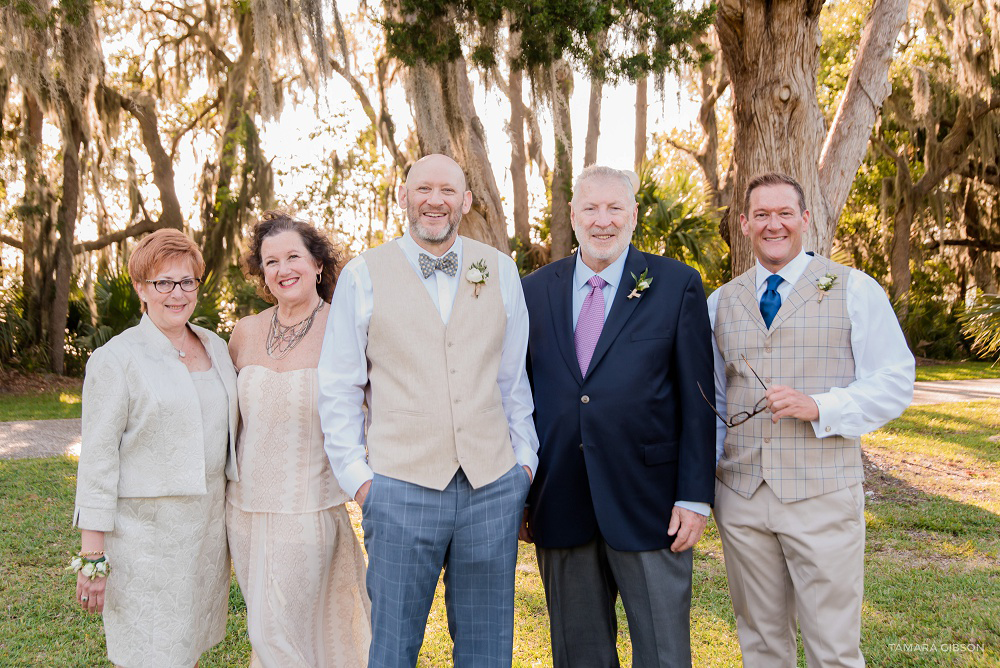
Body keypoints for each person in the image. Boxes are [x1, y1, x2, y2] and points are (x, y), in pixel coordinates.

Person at [318, 153, 538, 667]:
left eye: (447, 191)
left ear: (465, 200)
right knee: (393, 646)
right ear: (403, 196)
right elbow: (339, 386)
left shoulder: (499, 271)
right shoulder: (362, 275)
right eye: (423, 189)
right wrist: (360, 480)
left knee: (487, 649)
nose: (434, 201)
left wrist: (524, 465)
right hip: (399, 487)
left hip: (492, 486)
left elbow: (513, 380)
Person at [709, 172, 914, 667]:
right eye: (761, 215)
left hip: (822, 495)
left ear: (805, 219)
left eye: (784, 214)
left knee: (833, 648)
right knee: (760, 644)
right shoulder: (720, 302)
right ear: (744, 224)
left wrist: (822, 406)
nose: (772, 224)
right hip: (741, 499)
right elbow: (713, 400)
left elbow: (895, 381)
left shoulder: (854, 289)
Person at [520, 165, 717, 667]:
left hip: (649, 503)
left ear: (633, 215)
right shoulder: (532, 290)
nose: (602, 220)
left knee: (662, 653)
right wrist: (522, 493)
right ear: (572, 215)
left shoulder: (676, 285)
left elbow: (699, 400)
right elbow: (516, 395)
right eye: (591, 208)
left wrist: (694, 496)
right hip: (560, 498)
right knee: (578, 654)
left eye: (614, 208)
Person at [73, 228, 238, 667]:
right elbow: (98, 463)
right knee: (152, 652)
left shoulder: (217, 348)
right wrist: (93, 558)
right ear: (141, 288)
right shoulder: (116, 359)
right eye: (163, 283)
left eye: (187, 282)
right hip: (144, 542)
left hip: (204, 533)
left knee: (189, 647)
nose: (177, 294)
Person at [226, 212, 371, 667]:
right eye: (271, 262)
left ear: (318, 265)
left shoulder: (345, 327)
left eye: (293, 256)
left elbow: (377, 409)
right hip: (244, 513)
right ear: (262, 273)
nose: (283, 269)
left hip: (308, 510)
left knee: (277, 636)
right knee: (282, 634)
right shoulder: (245, 332)